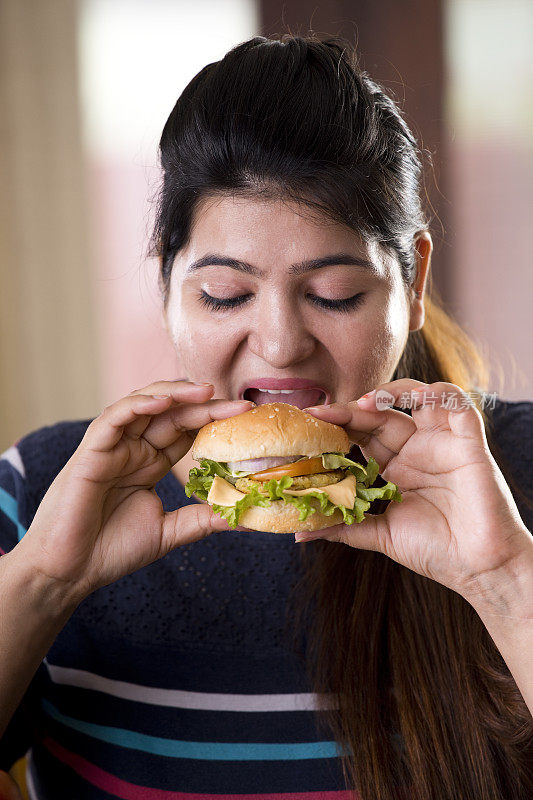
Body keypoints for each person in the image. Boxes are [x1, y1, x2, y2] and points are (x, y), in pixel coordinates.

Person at [0, 34, 532, 800]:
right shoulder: (45, 489)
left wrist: (504, 582)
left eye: (335, 294)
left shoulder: (515, 480)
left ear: (411, 280)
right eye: (225, 294)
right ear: (167, 285)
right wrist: (43, 584)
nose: (280, 342)